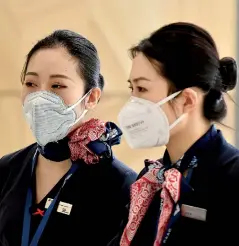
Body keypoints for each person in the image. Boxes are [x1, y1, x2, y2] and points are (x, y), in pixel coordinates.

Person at [111, 22, 239, 246]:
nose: (132, 103)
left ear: (187, 100)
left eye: (142, 89)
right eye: (131, 89)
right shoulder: (151, 179)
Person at [0, 30, 137, 246]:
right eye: (31, 84)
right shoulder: (7, 169)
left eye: (57, 86)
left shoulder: (120, 184)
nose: (39, 98)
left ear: (91, 97)